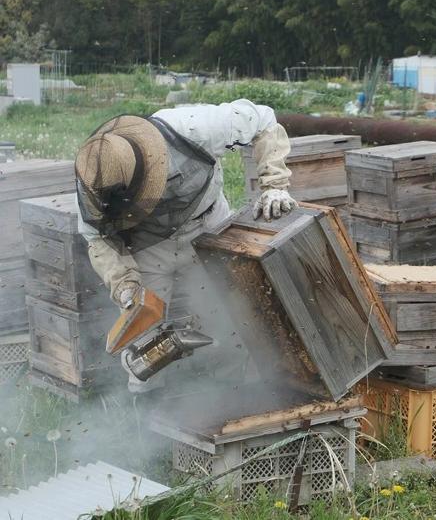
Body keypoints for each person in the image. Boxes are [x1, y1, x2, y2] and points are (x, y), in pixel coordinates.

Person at [74, 98, 296, 390]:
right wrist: (124, 284)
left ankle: (235, 398)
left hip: (207, 229)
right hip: (147, 248)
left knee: (227, 324)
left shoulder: (192, 127)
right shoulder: (95, 180)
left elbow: (264, 120)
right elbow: (98, 239)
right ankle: (146, 415)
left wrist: (274, 185)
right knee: (143, 343)